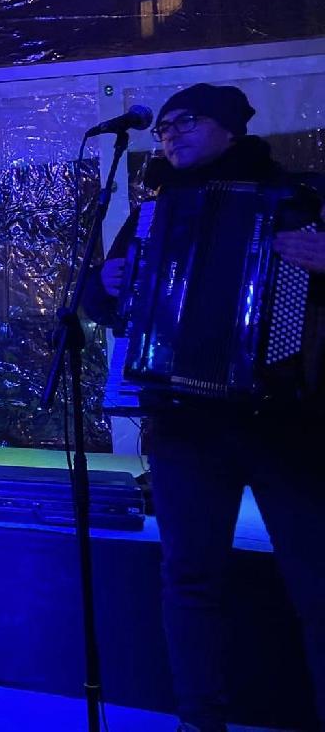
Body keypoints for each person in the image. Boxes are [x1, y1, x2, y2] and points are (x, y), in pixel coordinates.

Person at [85, 83, 325, 732]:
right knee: (190, 580)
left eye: (186, 122)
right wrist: (104, 285)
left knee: (317, 583)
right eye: (163, 128)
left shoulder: (300, 199)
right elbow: (102, 303)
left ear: (229, 128)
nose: (170, 134)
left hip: (285, 421)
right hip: (183, 425)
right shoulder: (153, 214)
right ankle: (199, 719)